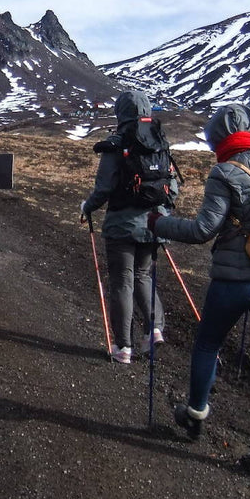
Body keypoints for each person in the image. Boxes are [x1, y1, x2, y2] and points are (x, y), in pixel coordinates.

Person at [150, 103, 250, 476]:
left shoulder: (226, 172)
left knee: (207, 344)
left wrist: (160, 224)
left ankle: (195, 414)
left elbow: (203, 230)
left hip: (235, 283)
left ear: (221, 138)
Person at [80, 90, 172, 364]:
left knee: (122, 281)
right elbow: (171, 183)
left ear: (121, 112)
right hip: (154, 223)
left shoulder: (116, 143)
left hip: (122, 224)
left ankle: (123, 347)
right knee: (143, 275)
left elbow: (104, 188)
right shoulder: (160, 141)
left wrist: (87, 207)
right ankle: (154, 329)